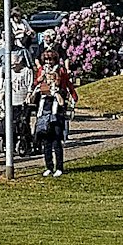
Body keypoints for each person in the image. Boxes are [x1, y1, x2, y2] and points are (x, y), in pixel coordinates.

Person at [33, 48, 80, 177]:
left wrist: (70, 96)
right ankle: (49, 166)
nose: (48, 62)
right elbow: (35, 85)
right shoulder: (41, 70)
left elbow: (67, 84)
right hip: (44, 108)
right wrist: (39, 82)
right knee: (46, 141)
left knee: (56, 140)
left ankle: (59, 166)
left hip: (56, 109)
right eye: (46, 59)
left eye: (51, 59)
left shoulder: (60, 70)